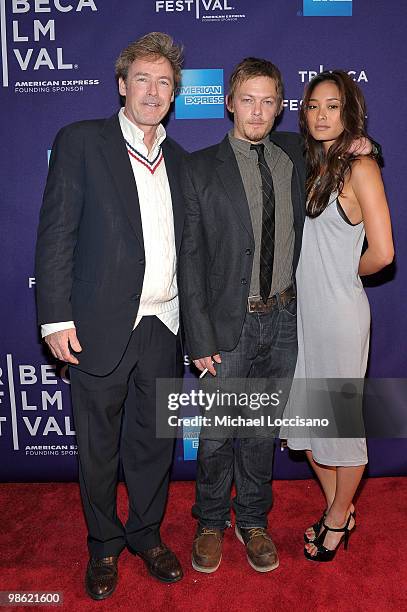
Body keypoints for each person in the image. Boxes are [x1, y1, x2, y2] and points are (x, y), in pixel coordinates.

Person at [35, 32, 185, 599]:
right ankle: (103, 545)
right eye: (142, 79)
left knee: (153, 446)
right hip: (99, 325)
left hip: (165, 325)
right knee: (98, 449)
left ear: (174, 94)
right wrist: (55, 319)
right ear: (122, 86)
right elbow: (55, 238)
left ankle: (147, 535)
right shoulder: (80, 142)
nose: (153, 91)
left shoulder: (183, 161)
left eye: (164, 82)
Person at [179, 57, 306, 573]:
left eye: (268, 101)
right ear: (229, 102)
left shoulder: (297, 155)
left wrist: (368, 145)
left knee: (260, 430)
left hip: (282, 323)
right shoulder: (198, 166)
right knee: (216, 432)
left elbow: (346, 144)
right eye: (247, 99)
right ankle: (210, 521)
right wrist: (199, 333)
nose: (257, 110)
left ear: (280, 108)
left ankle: (253, 520)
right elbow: (189, 257)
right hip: (226, 325)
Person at [284, 70, 394, 562]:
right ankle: (340, 509)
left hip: (340, 316)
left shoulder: (360, 167)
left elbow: (384, 252)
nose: (321, 115)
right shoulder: (312, 164)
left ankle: (334, 520)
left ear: (350, 112)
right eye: (312, 106)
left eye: (333, 106)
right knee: (307, 427)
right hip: (303, 316)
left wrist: (345, 274)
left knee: (341, 428)